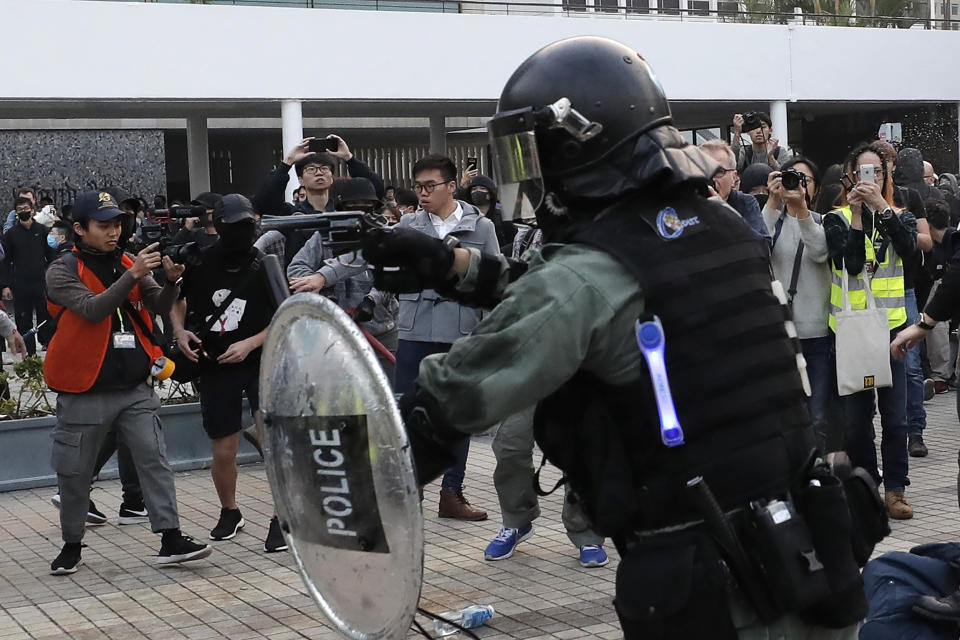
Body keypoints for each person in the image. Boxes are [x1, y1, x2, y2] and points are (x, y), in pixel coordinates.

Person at [364, 36, 866, 639]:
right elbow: (590, 297)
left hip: (721, 586)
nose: (533, 173)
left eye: (534, 150)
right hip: (806, 554)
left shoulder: (593, 272)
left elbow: (453, 398)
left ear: (578, 144)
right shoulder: (720, 226)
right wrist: (456, 268)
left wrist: (338, 484)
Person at [44, 190, 211, 575]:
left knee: (154, 461)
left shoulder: (125, 260)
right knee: (74, 473)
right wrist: (134, 274)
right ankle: (71, 544)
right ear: (80, 229)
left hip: (135, 387)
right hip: (84, 389)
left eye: (118, 223)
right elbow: (92, 308)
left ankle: (171, 538)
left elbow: (157, 304)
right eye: (103, 225)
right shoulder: (61, 269)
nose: (114, 231)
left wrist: (171, 282)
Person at [170, 194, 285, 553]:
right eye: (234, 226)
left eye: (247, 225)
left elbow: (285, 314)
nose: (241, 232)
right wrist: (179, 331)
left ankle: (283, 515)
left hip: (261, 359)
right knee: (224, 447)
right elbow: (176, 297)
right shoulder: (201, 260)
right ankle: (229, 511)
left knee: (272, 440)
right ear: (218, 226)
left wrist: (251, 343)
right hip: (216, 361)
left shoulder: (265, 263)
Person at [393, 154, 499, 521]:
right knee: (409, 412)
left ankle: (452, 492)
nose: (421, 193)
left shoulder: (481, 226)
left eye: (429, 186)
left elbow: (492, 278)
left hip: (461, 329)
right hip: (416, 328)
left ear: (451, 186)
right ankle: (412, 491)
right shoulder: (407, 225)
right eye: (417, 186)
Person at [824, 141, 917, 520]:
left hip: (892, 331)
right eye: (863, 172)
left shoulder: (901, 215)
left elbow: (912, 253)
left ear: (886, 175)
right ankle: (867, 489)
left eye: (876, 172)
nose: (870, 178)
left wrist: (882, 209)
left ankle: (896, 491)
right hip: (850, 334)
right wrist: (860, 215)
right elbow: (848, 264)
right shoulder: (836, 218)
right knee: (857, 424)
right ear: (849, 177)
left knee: (896, 420)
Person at [286, 177, 399, 382]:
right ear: (340, 207)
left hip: (381, 329)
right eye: (352, 206)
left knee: (389, 392)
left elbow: (390, 274)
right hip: (335, 332)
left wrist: (371, 301)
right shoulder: (323, 237)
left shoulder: (384, 235)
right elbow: (296, 268)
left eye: (366, 206)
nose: (360, 211)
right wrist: (320, 291)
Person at [762, 166, 834, 450]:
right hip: (782, 335)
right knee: (784, 416)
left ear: (813, 186)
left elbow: (819, 251)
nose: (795, 185)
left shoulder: (823, 221)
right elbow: (757, 245)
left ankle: (817, 474)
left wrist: (801, 208)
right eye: (789, 179)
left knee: (816, 416)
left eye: (802, 180)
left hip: (816, 334)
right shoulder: (771, 220)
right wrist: (772, 201)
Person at [0, 196, 56, 355]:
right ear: (16, 213)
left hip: (41, 282)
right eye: (20, 210)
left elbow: (52, 256)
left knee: (45, 315)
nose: (24, 212)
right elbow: (4, 261)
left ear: (32, 210)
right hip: (20, 283)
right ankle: (28, 353)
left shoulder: (43, 231)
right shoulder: (10, 234)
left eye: (26, 209)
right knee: (23, 319)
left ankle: (49, 347)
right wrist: (5, 285)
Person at [699, 139, 770, 242]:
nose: (711, 179)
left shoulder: (745, 202)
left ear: (734, 177)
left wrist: (723, 210)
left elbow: (763, 246)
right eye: (703, 170)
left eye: (719, 172)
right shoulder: (687, 203)